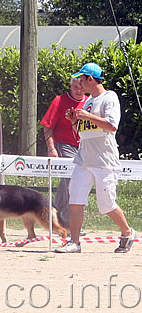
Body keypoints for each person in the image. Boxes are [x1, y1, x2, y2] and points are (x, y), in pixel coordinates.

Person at [56, 63, 136, 254]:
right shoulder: (88, 101)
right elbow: (82, 132)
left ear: (90, 79)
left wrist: (87, 116)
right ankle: (74, 242)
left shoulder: (110, 98)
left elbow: (111, 125)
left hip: (104, 161)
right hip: (83, 159)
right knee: (75, 200)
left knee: (106, 204)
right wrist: (74, 121)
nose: (79, 84)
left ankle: (127, 232)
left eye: (81, 80)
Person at [40, 76, 88, 229]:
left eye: (81, 88)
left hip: (83, 146)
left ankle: (54, 218)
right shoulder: (59, 101)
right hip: (64, 145)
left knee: (66, 184)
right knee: (72, 182)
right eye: (75, 88)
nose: (79, 91)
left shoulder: (90, 101)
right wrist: (51, 148)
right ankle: (69, 224)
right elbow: (47, 125)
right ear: (70, 87)